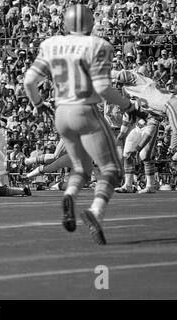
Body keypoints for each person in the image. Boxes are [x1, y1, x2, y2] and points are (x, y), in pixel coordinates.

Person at [23, 4, 145, 245]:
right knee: (111, 170)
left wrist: (37, 104)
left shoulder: (50, 44)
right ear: (90, 23)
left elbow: (29, 81)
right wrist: (127, 106)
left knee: (81, 169)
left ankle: (69, 194)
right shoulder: (99, 45)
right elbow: (102, 87)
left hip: (61, 114)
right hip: (85, 110)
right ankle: (95, 212)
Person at [114, 69, 177, 162]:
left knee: (145, 156)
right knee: (131, 154)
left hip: (169, 107)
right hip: (143, 126)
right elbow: (128, 115)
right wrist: (122, 134)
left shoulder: (145, 91)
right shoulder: (140, 101)